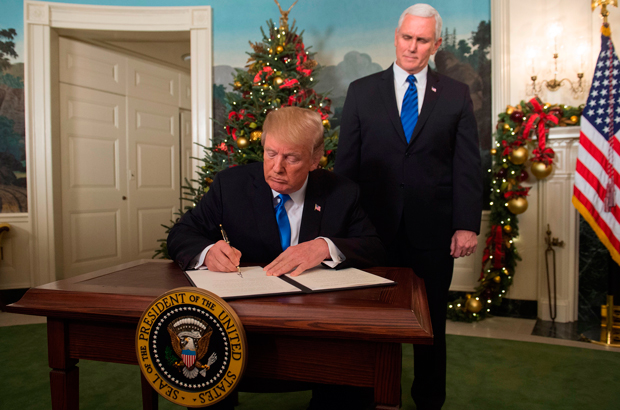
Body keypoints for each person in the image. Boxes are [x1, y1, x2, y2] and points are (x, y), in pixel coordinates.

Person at [334, 4, 483, 409]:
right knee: (368, 322)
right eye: (406, 37)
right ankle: (367, 395)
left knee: (430, 324)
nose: (412, 47)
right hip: (371, 234)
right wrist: (338, 227)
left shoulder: (454, 95)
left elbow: (467, 164)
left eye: (422, 41)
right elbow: (346, 165)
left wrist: (466, 224)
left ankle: (429, 401)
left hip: (432, 235)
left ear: (435, 45)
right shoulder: (362, 91)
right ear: (395, 37)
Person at [168, 106, 384, 278]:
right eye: (270, 154)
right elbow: (180, 234)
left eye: (291, 158)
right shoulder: (230, 185)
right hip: (247, 305)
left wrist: (324, 248)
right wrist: (207, 253)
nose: (277, 167)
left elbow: (373, 247)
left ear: (314, 160)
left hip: (317, 308)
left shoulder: (342, 192)